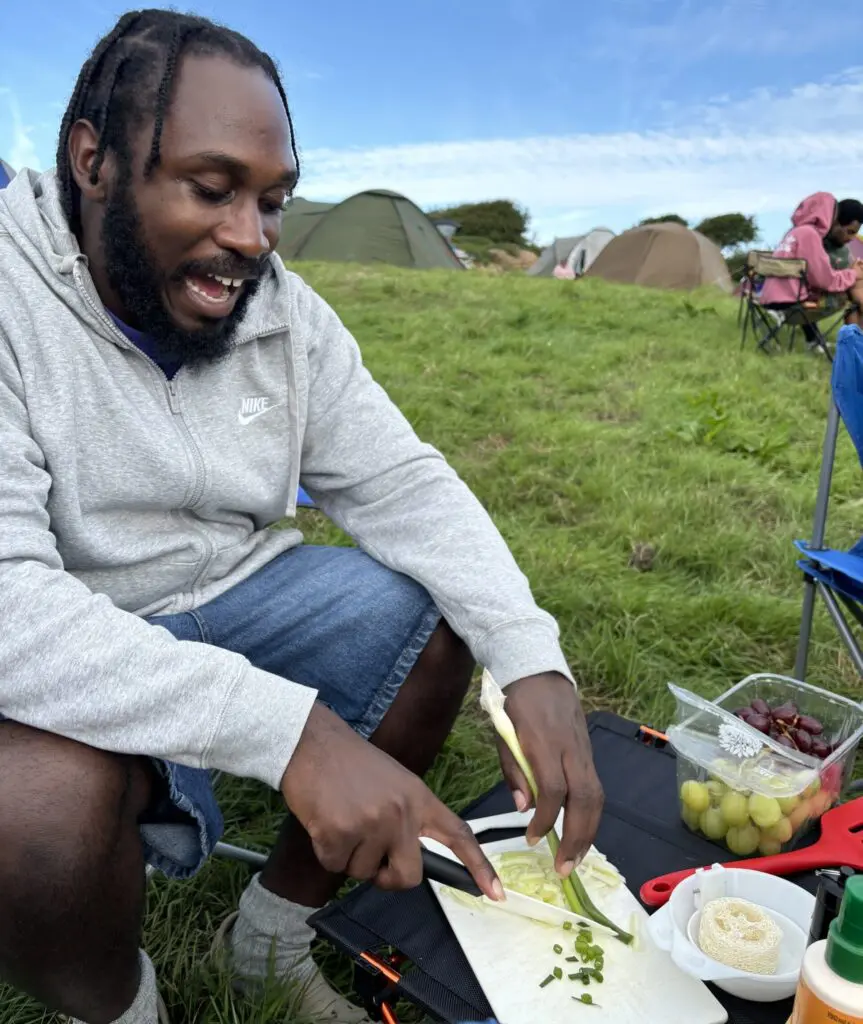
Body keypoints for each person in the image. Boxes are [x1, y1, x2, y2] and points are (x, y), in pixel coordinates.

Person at [0, 10, 603, 1024]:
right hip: (68, 612)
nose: (250, 239)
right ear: (93, 160)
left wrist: (529, 658)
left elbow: (401, 483)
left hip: (235, 587)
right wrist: (294, 734)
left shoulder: (283, 311)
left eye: (273, 200)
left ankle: (271, 933)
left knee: (432, 616)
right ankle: (115, 1006)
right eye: (211, 186)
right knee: (34, 812)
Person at [760, 192, 863, 318]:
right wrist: (854, 273)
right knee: (844, 295)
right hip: (791, 303)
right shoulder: (810, 235)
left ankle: (812, 337)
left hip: (768, 298)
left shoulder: (793, 232)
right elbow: (825, 280)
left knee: (811, 290)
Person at [824, 198, 863, 270]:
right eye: (850, 232)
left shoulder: (844, 250)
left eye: (855, 233)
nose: (851, 238)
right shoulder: (814, 247)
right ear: (835, 222)